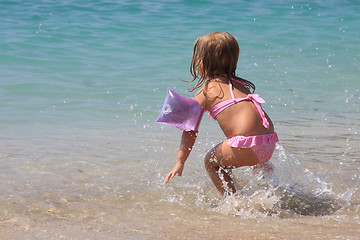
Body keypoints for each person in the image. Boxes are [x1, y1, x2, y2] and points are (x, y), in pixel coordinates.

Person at [164, 32, 278, 196]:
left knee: (211, 162)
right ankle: (272, 189)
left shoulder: (208, 91)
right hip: (268, 142)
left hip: (246, 143)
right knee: (251, 161)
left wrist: (180, 162)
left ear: (202, 65)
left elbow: (190, 130)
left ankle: (233, 201)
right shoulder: (240, 85)